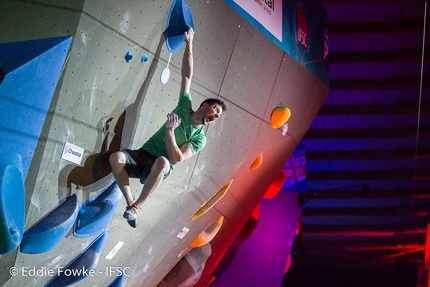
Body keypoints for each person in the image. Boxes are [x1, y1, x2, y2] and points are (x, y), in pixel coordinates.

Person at [109, 27, 227, 228]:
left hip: (159, 167)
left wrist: (170, 132)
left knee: (164, 161)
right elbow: (187, 76)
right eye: (215, 110)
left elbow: (176, 159)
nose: (215, 116)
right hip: (143, 155)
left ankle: (138, 206)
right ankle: (130, 205)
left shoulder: (199, 138)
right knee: (115, 157)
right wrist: (189, 44)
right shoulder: (184, 106)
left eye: (218, 116)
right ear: (205, 106)